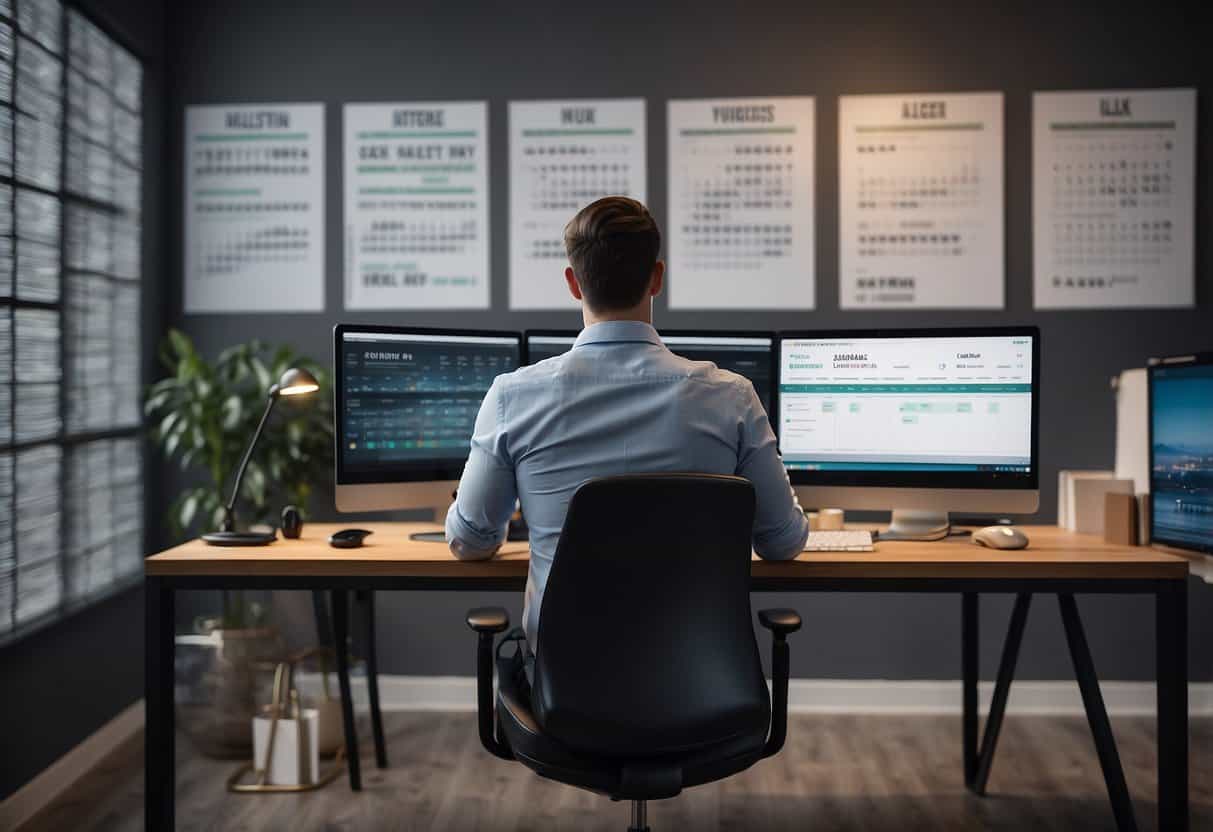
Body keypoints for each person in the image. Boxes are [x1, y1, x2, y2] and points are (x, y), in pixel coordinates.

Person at [446, 196, 808, 653]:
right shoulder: (732, 397)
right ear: (656, 278)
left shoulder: (512, 397)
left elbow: (470, 541)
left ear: (573, 283)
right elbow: (782, 542)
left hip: (565, 687)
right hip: (702, 682)